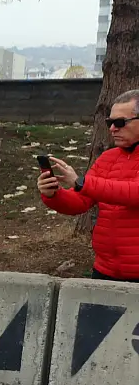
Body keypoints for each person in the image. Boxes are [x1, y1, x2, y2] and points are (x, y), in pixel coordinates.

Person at [38, 89, 139, 282]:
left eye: (120, 123)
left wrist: (81, 182)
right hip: (105, 270)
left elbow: (134, 194)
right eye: (110, 122)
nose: (112, 129)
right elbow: (80, 201)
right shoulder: (108, 158)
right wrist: (53, 194)